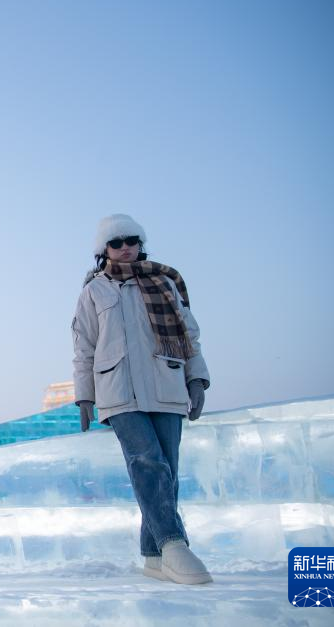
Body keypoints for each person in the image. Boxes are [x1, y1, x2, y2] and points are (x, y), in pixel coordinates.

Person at [71, 214, 212, 585]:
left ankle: (152, 556)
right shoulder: (94, 292)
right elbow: (83, 347)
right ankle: (173, 544)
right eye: (116, 243)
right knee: (147, 461)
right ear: (104, 250)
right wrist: (84, 397)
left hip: (166, 385)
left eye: (131, 240)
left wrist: (196, 378)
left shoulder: (164, 282)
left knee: (168, 466)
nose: (125, 247)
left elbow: (189, 336)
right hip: (118, 392)